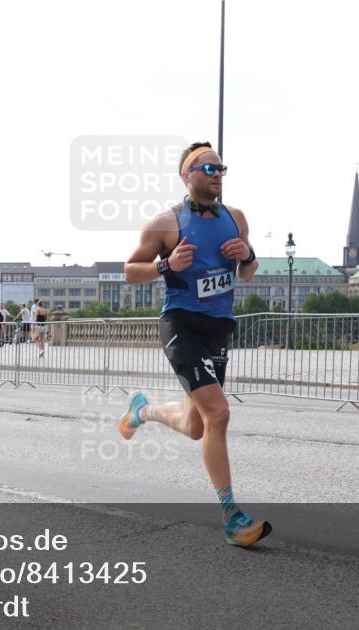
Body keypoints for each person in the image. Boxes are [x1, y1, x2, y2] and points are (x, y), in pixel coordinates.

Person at [118, 141, 271, 548]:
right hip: (181, 325)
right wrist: (166, 265)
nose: (216, 173)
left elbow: (249, 273)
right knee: (219, 415)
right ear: (186, 176)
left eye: (220, 167)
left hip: (218, 328)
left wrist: (248, 254)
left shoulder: (236, 218)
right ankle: (232, 517)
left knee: (196, 425)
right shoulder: (166, 223)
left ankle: (143, 410)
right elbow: (131, 272)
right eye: (207, 168)